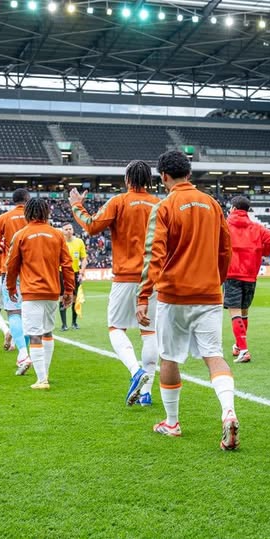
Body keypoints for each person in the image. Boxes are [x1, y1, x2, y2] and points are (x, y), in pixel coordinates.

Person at [136, 150, 238, 450]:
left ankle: (172, 422)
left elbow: (154, 254)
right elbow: (225, 249)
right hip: (209, 293)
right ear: (189, 174)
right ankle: (228, 412)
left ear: (164, 176)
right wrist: (216, 279)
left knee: (169, 356)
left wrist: (143, 295)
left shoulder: (165, 206)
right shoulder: (212, 204)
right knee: (214, 355)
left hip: (175, 294)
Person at [70, 161, 160, 406]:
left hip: (125, 277)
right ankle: (146, 393)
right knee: (150, 331)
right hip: (153, 278)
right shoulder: (159, 204)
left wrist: (76, 205)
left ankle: (135, 371)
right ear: (149, 180)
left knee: (116, 328)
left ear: (127, 179)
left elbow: (91, 226)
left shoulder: (119, 202)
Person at [7, 198, 75, 390]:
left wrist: (11, 287)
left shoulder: (21, 234)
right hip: (52, 292)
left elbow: (12, 265)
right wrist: (69, 290)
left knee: (34, 335)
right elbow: (67, 264)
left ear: (27, 212)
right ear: (46, 212)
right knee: (47, 332)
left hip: (31, 292)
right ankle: (45, 374)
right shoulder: (57, 234)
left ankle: (42, 379)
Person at [224, 195, 270, 364]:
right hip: (250, 275)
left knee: (234, 312)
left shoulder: (225, 226)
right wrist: (263, 251)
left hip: (232, 274)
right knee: (244, 312)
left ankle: (244, 350)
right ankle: (238, 346)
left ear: (233, 209)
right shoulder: (256, 227)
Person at [0, 189, 31, 374]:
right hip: (34, 271)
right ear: (27, 200)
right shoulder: (35, 217)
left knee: (14, 312)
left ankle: (23, 353)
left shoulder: (2, 219)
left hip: (11, 270)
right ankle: (28, 351)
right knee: (29, 313)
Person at [59, 222, 87, 331]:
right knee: (63, 297)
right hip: (62, 273)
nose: (68, 231)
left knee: (75, 298)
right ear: (62, 231)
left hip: (75, 273)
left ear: (73, 230)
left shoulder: (79, 242)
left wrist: (81, 272)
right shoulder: (60, 242)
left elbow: (84, 258)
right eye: (66, 229)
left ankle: (74, 322)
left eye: (70, 229)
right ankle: (64, 324)